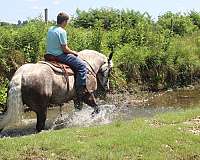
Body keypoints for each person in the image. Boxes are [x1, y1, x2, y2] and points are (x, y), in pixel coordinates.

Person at [46, 12, 88, 99]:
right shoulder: (62, 31)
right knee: (82, 66)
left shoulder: (50, 29)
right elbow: (64, 49)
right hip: (59, 55)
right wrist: (73, 52)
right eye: (67, 21)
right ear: (64, 21)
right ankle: (80, 91)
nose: (67, 23)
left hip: (48, 54)